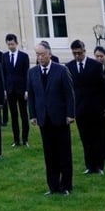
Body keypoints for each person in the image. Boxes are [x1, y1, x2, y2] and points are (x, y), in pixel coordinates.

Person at [27, 41, 75, 195]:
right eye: (37, 55)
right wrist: (33, 114)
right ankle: (52, 185)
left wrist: (70, 114)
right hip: (43, 118)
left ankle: (66, 185)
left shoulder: (61, 70)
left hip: (60, 117)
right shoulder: (32, 72)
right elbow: (32, 95)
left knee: (64, 153)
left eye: (42, 54)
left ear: (49, 54)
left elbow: (69, 94)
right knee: (49, 153)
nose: (39, 57)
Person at [67, 39, 105, 175]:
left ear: (84, 51)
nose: (77, 56)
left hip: (95, 107)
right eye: (75, 54)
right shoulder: (69, 67)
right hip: (79, 108)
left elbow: (103, 87)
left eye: (79, 53)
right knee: (85, 138)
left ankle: (99, 166)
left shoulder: (95, 65)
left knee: (97, 137)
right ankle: (89, 165)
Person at [4, 33, 30, 147]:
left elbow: (26, 74)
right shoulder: (4, 56)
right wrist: (4, 89)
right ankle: (16, 140)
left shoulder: (24, 56)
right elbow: (3, 74)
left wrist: (27, 90)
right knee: (13, 116)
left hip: (21, 89)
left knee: (24, 114)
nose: (11, 46)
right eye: (9, 44)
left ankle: (25, 139)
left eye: (12, 44)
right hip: (10, 90)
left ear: (17, 43)